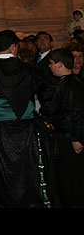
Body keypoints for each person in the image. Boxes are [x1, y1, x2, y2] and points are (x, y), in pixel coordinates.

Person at [0, 29, 51, 208]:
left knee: (0, 169)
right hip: (26, 127)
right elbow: (48, 93)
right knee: (26, 168)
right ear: (14, 47)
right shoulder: (29, 69)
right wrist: (44, 114)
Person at [44, 48, 84, 207]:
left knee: (72, 177)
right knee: (65, 177)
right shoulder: (65, 82)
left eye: (51, 63)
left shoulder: (72, 84)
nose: (49, 67)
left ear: (60, 64)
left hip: (70, 138)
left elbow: (78, 112)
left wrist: (77, 138)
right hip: (63, 136)